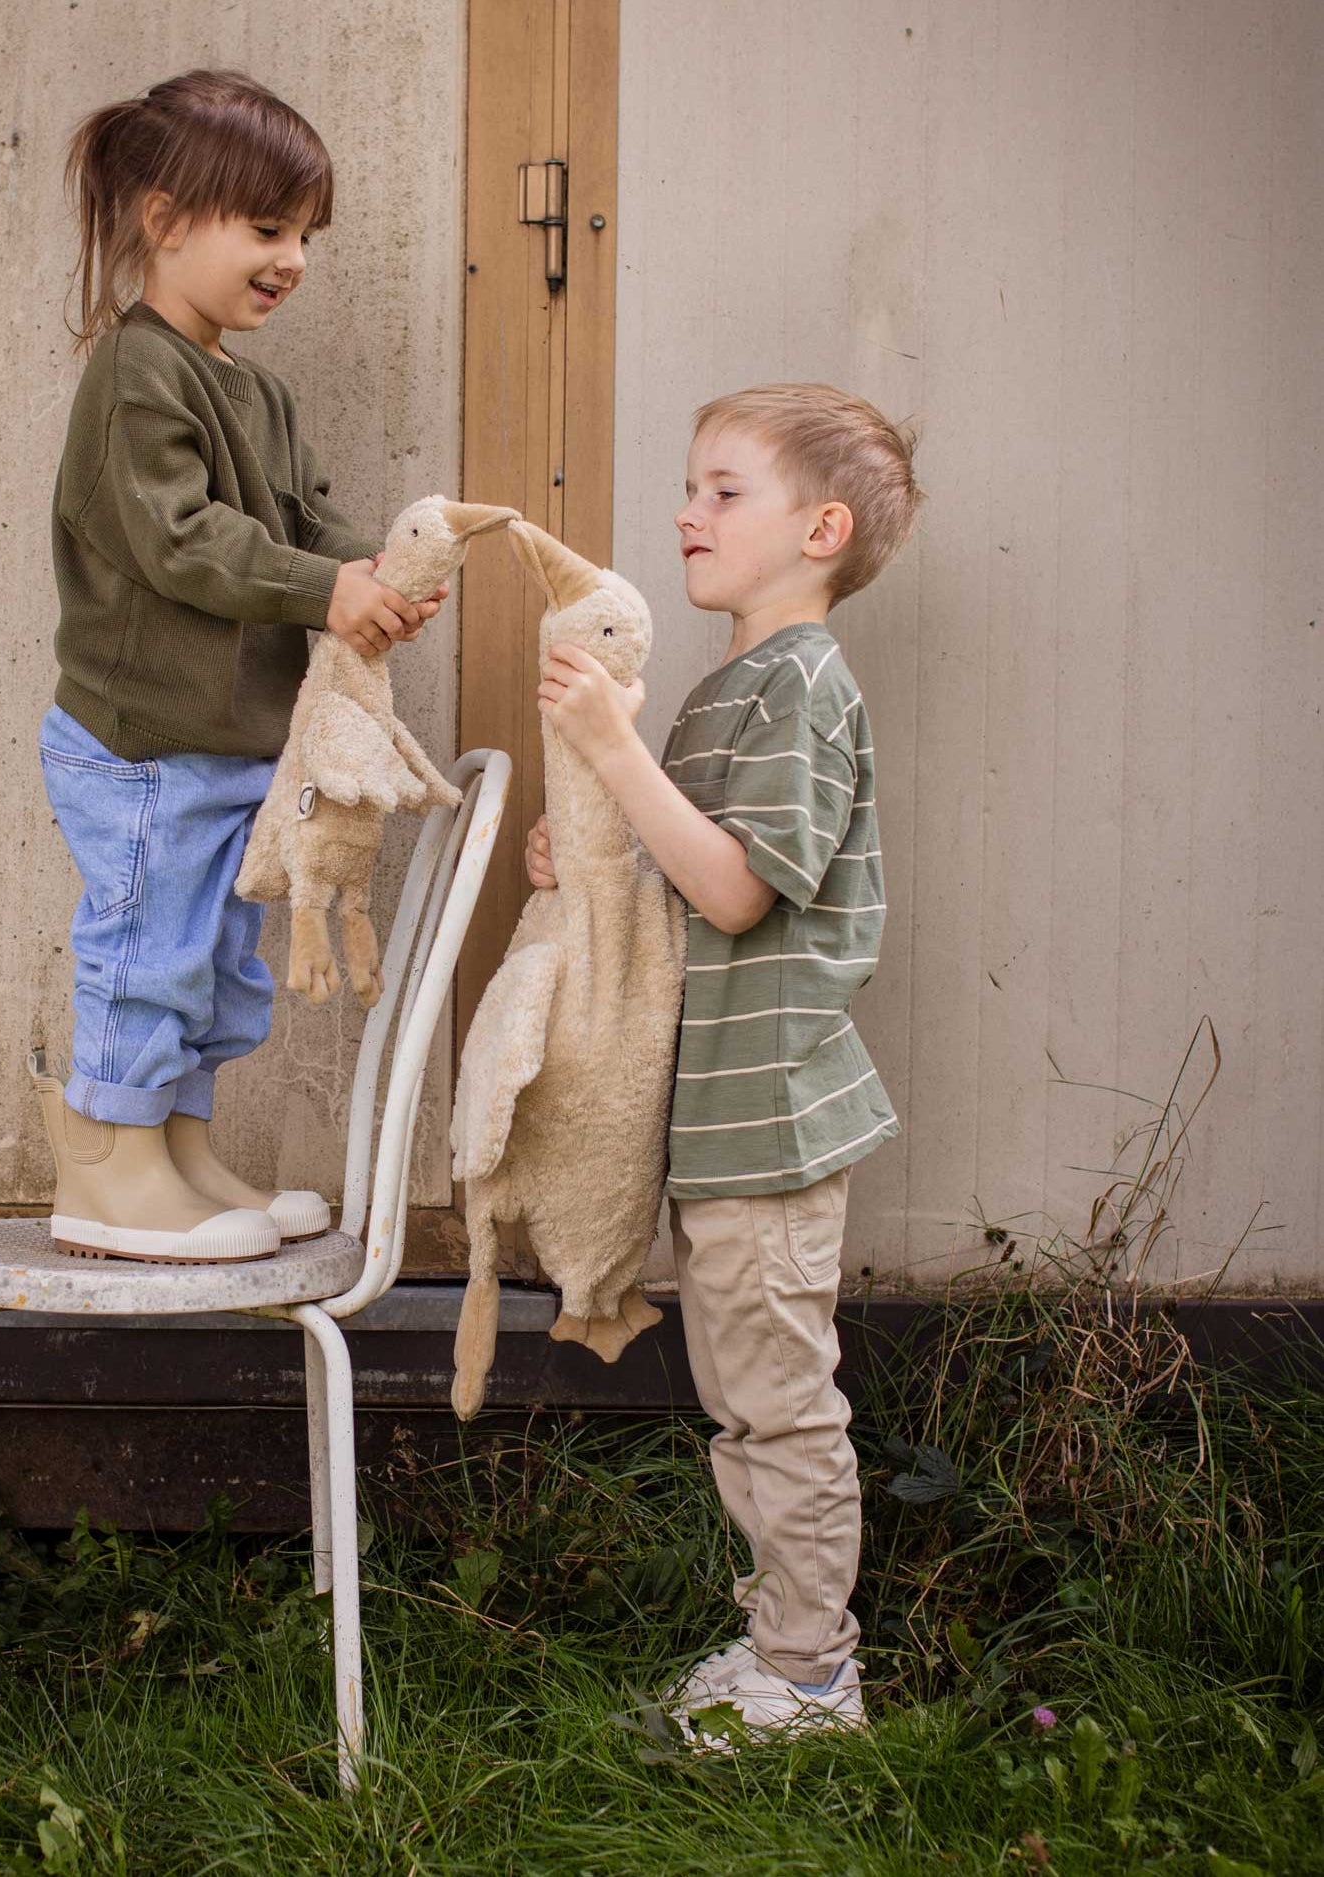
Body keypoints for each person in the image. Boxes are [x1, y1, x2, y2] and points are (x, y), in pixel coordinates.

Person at [524, 384, 921, 1738]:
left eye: (722, 490)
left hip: (769, 1118)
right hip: (723, 1123)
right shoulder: (730, 685)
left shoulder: (801, 685)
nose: (686, 513)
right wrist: (589, 849)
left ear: (819, 529)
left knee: (775, 1410)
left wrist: (609, 746)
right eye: (688, 486)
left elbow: (742, 891)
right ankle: (781, 1650)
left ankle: (810, 1675)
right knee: (744, 1404)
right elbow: (682, 878)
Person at [33, 70, 445, 1264]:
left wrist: (375, 567)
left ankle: (178, 1152)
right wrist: (329, 593)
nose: (295, 258)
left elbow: (299, 519)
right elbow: (182, 539)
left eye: (305, 234)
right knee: (146, 943)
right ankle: (105, 1169)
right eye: (268, 229)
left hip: (219, 744)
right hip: (143, 744)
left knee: (212, 960)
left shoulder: (255, 389)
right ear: (165, 221)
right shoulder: (136, 373)